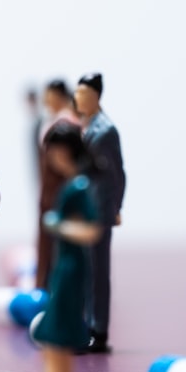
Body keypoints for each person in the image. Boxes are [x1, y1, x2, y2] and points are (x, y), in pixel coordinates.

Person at [33, 123, 102, 372]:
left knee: (57, 338)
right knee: (53, 339)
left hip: (72, 268)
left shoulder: (79, 187)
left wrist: (57, 225)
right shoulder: (72, 185)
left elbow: (91, 231)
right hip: (64, 265)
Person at [74, 72, 126, 353]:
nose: (78, 98)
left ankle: (99, 330)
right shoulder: (86, 125)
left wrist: (116, 206)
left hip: (99, 210)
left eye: (82, 94)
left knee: (97, 272)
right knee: (86, 271)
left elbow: (117, 173)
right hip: (85, 210)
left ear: (95, 96)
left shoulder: (105, 130)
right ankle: (86, 325)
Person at [35, 80, 80, 291]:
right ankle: (46, 284)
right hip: (49, 189)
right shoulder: (51, 120)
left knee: (54, 240)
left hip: (56, 190)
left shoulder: (65, 123)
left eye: (50, 95)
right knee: (47, 239)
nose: (46, 100)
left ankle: (52, 287)